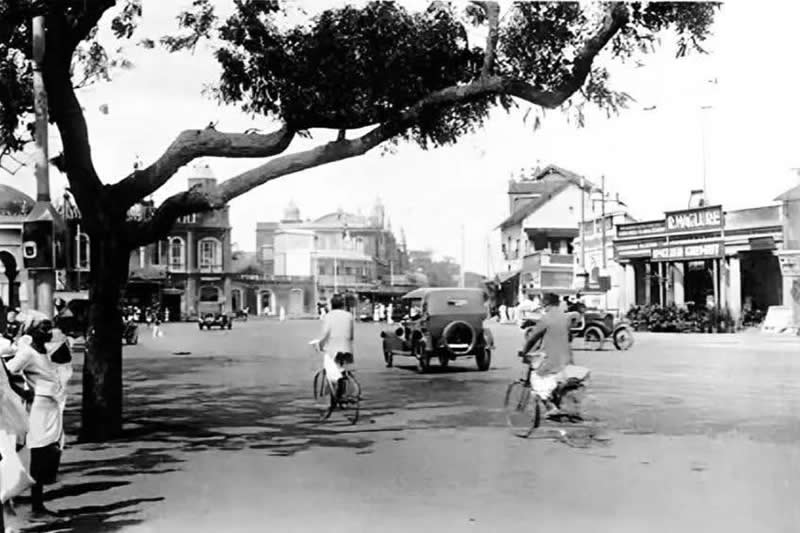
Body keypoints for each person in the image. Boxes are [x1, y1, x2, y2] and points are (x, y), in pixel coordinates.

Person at [5, 319, 72, 519]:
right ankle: (33, 504)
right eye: (43, 328)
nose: (48, 331)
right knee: (38, 453)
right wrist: (23, 392)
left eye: (48, 328)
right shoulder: (27, 353)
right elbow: (6, 372)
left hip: (52, 406)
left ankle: (37, 503)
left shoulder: (45, 351)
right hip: (39, 408)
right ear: (32, 332)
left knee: (49, 452)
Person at [520, 292, 575, 415]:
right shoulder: (565, 318)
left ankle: (550, 407)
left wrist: (524, 352)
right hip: (568, 358)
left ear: (546, 304)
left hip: (552, 360)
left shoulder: (546, 319)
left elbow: (532, 338)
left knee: (536, 378)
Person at [317, 294, 354, 400]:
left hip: (333, 349)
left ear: (332, 305)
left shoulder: (328, 316)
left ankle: (336, 383)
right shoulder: (349, 315)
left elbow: (324, 334)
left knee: (330, 369)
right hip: (347, 348)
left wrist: (320, 345)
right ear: (342, 305)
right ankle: (342, 389)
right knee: (340, 367)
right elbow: (351, 336)